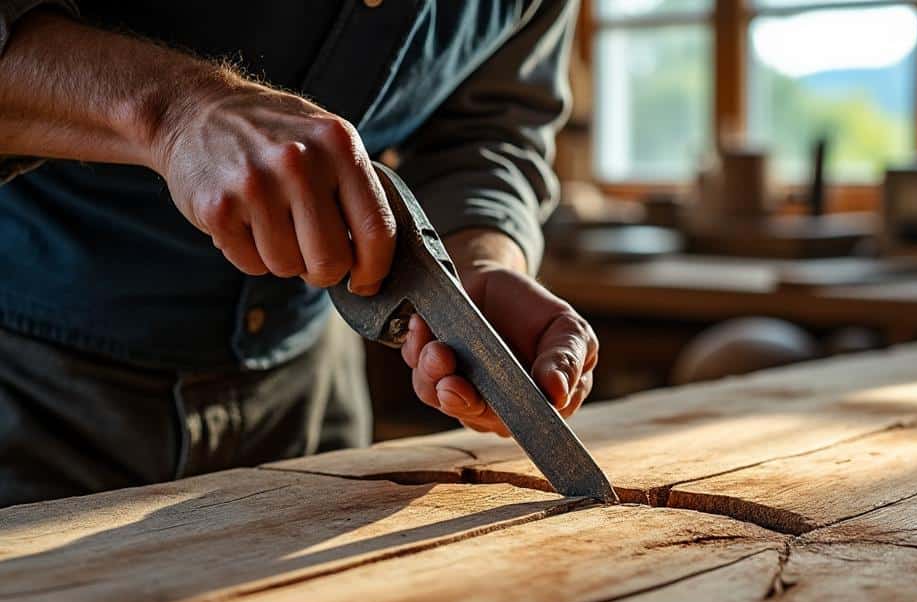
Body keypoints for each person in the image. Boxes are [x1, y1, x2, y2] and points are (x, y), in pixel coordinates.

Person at [0, 0, 598, 506]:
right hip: (31, 383)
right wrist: (175, 113)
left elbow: (491, 130)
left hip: (310, 400)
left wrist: (481, 257)